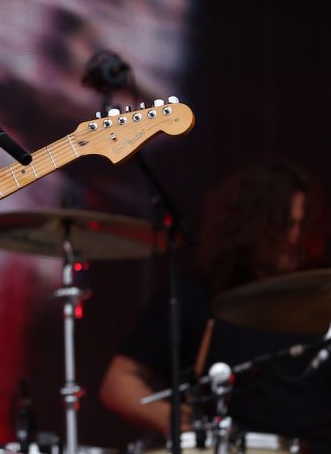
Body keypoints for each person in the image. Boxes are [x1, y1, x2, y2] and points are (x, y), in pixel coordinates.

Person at [99, 162, 330, 447]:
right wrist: (169, 418)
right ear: (251, 225)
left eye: (303, 225)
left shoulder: (320, 301)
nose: (295, 238)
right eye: (284, 226)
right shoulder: (197, 296)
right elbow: (119, 381)